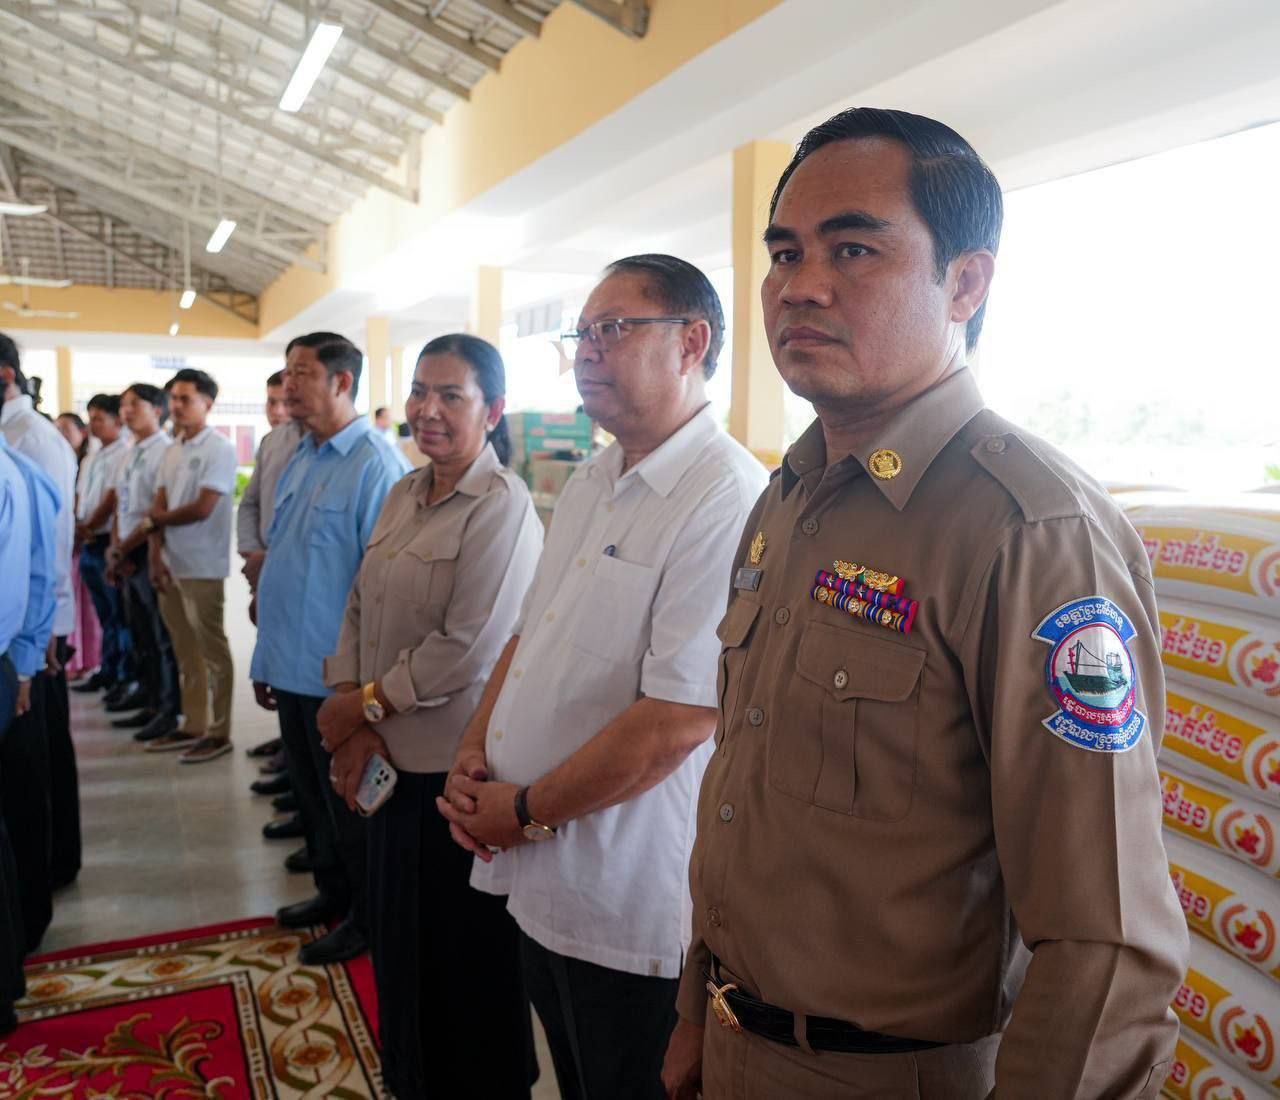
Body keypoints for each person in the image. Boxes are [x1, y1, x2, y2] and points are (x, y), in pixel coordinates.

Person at [659, 108, 1188, 1100]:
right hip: (737, 1040)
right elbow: (744, 787)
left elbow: (1105, 935)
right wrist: (698, 1007)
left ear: (965, 282)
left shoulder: (1032, 532)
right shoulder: (789, 498)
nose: (799, 285)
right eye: (784, 253)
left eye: (853, 248)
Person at [438, 255, 767, 1100]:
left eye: (612, 330)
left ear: (691, 343)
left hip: (624, 894)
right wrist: (474, 752)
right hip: (539, 870)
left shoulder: (724, 495)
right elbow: (529, 635)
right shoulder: (593, 477)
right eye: (580, 333)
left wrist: (523, 810)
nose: (585, 351)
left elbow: (677, 720)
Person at [318, 334, 544, 1099]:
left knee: (463, 960)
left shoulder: (501, 506)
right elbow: (358, 602)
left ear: (493, 410)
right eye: (420, 391)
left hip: (449, 777)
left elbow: (467, 649)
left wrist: (362, 705)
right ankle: (412, 1078)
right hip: (385, 762)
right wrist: (353, 717)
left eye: (452, 395)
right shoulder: (403, 492)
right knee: (398, 944)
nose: (429, 409)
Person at [250, 332, 409, 966]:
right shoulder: (301, 453)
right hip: (290, 664)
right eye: (286, 373)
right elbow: (285, 560)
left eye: (302, 373)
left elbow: (381, 591)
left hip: (337, 680)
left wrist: (361, 694)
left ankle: (366, 919)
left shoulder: (374, 465)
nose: (288, 385)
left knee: (352, 807)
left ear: (342, 382)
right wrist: (265, 657)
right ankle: (331, 895)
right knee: (313, 798)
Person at [0, 334, 81, 892]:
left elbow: (50, 541)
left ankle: (50, 869)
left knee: (36, 760)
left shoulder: (33, 438)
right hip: (32, 625)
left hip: (36, 627)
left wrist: (43, 631)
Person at [142, 369, 237, 763]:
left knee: (212, 650)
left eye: (186, 399)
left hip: (203, 564)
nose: (176, 406)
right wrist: (155, 554)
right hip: (171, 563)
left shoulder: (219, 448)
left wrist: (156, 521)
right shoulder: (173, 449)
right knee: (184, 649)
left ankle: (220, 731)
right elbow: (159, 503)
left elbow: (202, 508)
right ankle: (194, 723)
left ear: (207, 404)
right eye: (174, 398)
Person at [0, 385, 60, 957]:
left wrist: (26, 660)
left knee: (20, 796)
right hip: (14, 653)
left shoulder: (27, 454)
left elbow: (43, 567)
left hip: (10, 653)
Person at [238, 369, 306, 801]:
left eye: (286, 399)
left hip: (299, 583)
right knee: (280, 678)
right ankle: (291, 761)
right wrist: (253, 555)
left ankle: (299, 774)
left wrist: (271, 562)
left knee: (304, 688)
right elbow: (250, 506)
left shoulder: (339, 450)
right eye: (272, 402)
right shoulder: (272, 443)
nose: (279, 410)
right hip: (265, 574)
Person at [108, 384, 178, 744]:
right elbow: (120, 505)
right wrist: (115, 547)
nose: (126, 411)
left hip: (147, 550)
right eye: (124, 405)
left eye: (135, 404)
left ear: (157, 410)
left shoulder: (163, 451)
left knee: (160, 636)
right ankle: (149, 698)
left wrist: (125, 549)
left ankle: (168, 709)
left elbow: (155, 511)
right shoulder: (130, 451)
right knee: (140, 633)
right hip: (125, 550)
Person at [73, 396, 132, 695]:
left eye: (99, 418)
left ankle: (123, 676)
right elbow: (80, 497)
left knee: (119, 615)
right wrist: (79, 526)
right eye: (91, 418)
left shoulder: (125, 454)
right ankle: (106, 670)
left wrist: (88, 527)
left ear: (117, 421)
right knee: (104, 614)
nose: (93, 424)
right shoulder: (91, 457)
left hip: (107, 539)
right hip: (88, 541)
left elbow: (111, 500)